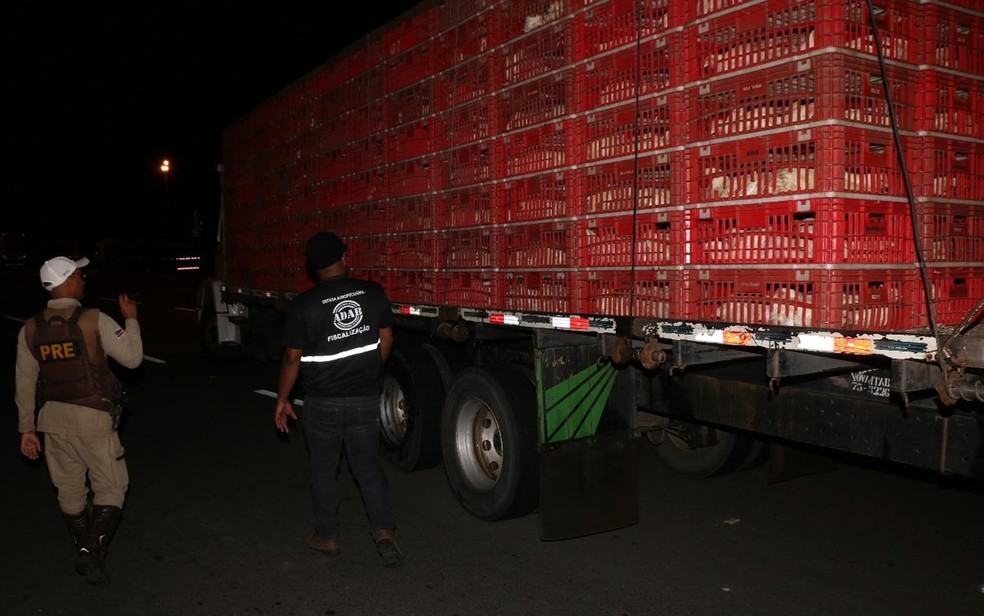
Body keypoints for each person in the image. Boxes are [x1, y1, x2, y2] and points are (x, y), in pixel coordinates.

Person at [274, 231, 404, 567]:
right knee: (367, 467)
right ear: (344, 257)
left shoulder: (303, 305)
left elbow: (292, 357)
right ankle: (383, 531)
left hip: (321, 404)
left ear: (313, 268)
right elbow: (386, 339)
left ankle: (327, 535)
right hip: (363, 399)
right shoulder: (373, 293)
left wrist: (283, 399)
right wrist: (372, 373)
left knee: (323, 470)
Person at [15, 255, 143, 587]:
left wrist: (26, 429)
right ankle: (90, 549)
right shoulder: (93, 319)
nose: (84, 280)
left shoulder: (29, 329)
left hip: (52, 421)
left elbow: (25, 383)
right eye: (80, 275)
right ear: (68, 281)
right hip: (93, 419)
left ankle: (86, 546)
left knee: (70, 490)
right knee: (112, 487)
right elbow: (131, 358)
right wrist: (130, 319)